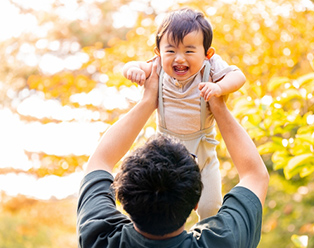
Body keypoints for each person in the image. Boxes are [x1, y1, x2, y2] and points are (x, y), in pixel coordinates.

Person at [76, 53, 269, 247]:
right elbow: (255, 175)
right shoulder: (223, 242)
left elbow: (100, 160)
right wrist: (219, 108)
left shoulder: (100, 239)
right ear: (196, 203)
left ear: (122, 196)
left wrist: (147, 101)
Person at [122, 7, 246, 219]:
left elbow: (239, 76)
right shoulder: (158, 66)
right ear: (159, 53)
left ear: (207, 54)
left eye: (189, 51)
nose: (179, 58)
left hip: (202, 148)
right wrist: (132, 70)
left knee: (211, 207)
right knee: (160, 205)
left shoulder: (210, 67)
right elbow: (132, 65)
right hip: (165, 149)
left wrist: (219, 87)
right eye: (171, 51)